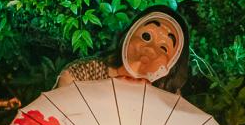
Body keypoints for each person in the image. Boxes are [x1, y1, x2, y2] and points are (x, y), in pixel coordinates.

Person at [52, 5, 191, 92]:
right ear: (129, 34)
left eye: (163, 47)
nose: (150, 49)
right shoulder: (81, 76)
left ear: (173, 62)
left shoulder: (166, 101)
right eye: (146, 36)